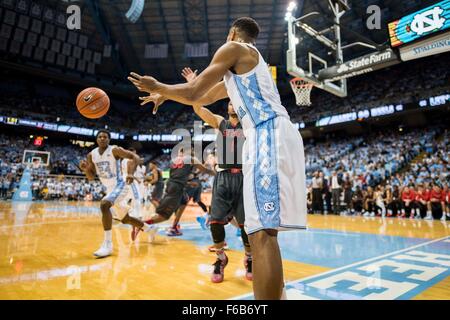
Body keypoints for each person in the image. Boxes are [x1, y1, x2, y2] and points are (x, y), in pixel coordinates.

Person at [130, 16, 307, 300]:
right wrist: (171, 95)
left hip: (266, 134)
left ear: (233, 32)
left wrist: (159, 86)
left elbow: (195, 91)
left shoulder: (234, 48)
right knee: (261, 231)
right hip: (274, 136)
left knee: (262, 234)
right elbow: (200, 99)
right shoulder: (245, 69)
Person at [179, 66, 252, 282]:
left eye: (235, 101)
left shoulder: (250, 124)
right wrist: (194, 84)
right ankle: (221, 259)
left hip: (244, 178)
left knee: (246, 224)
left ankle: (249, 258)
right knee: (216, 221)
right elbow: (199, 109)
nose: (232, 104)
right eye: (229, 101)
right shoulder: (221, 123)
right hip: (223, 177)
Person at [79, 130, 155, 258]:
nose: (102, 138)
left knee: (104, 205)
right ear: (96, 139)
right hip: (110, 188)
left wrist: (131, 173)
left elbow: (135, 157)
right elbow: (91, 177)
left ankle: (107, 245)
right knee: (125, 219)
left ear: (109, 139)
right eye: (100, 136)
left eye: (105, 137)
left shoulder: (115, 150)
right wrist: (85, 169)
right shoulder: (91, 155)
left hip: (120, 185)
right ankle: (150, 229)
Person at [135, 148, 215, 239]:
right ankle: (141, 224)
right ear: (185, 152)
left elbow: (177, 176)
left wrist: (188, 183)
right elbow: (205, 170)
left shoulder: (175, 161)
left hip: (176, 186)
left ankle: (175, 225)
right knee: (164, 216)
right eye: (191, 150)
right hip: (176, 188)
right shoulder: (191, 159)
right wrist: (216, 173)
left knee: (184, 200)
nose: (193, 151)